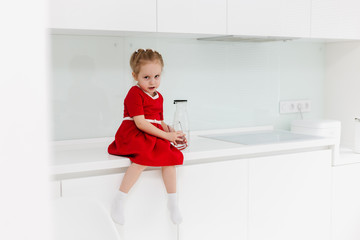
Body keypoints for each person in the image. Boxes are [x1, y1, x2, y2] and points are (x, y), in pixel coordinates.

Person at [108, 48, 186, 225]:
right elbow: (141, 123)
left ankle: (173, 202)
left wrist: (172, 132)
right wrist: (167, 135)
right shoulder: (134, 93)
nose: (153, 82)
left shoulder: (159, 96)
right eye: (146, 77)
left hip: (152, 132)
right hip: (134, 133)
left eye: (157, 76)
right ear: (135, 76)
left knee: (169, 159)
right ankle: (119, 200)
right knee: (142, 158)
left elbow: (159, 120)